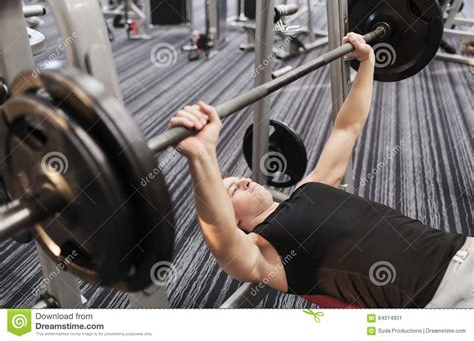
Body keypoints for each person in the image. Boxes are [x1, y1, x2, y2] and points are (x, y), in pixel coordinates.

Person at [168, 33, 472, 308]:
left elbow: (347, 128)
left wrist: (367, 63)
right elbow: (224, 243)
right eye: (233, 190)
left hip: (460, 249)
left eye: (239, 179)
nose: (245, 180)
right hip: (443, 300)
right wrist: (202, 153)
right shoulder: (266, 251)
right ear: (233, 219)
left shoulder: (312, 186)